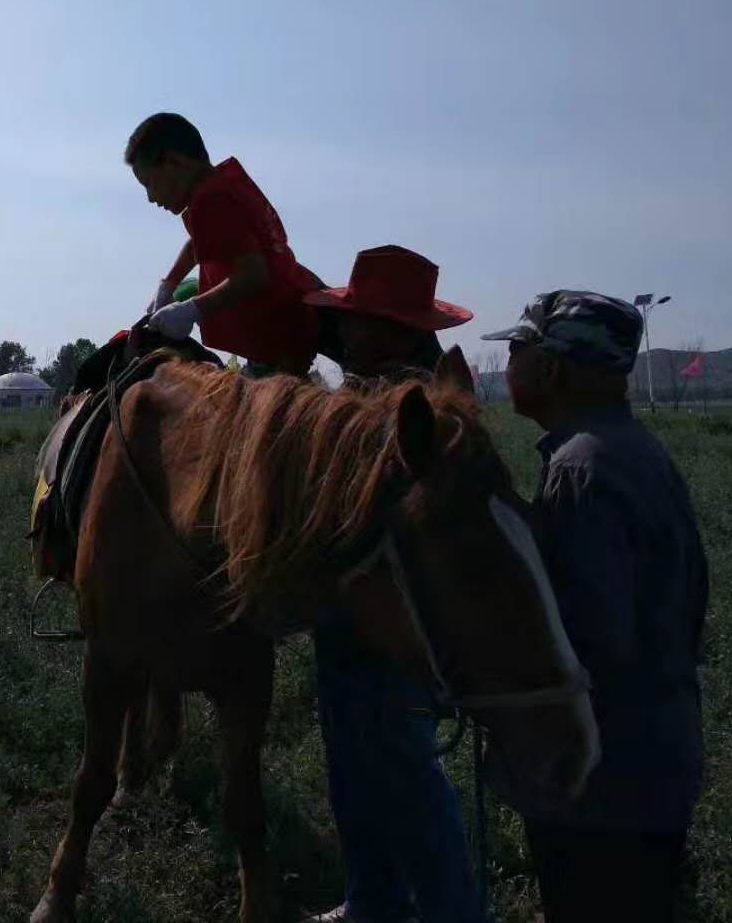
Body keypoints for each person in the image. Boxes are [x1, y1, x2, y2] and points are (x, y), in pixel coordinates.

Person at [480, 290, 709, 923]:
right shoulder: (628, 450)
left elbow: (585, 643)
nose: (510, 366)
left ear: (551, 368)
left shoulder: (581, 469)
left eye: (517, 351)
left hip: (604, 788)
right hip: (652, 762)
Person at [298, 246, 488, 923]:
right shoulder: (365, 396)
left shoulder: (424, 415)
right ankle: (372, 898)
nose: (343, 334)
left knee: (408, 772)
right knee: (352, 764)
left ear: (398, 332)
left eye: (357, 321)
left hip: (402, 629)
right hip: (347, 621)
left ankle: (456, 912)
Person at [127, 112, 321, 375]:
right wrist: (168, 285)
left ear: (174, 162)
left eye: (149, 183)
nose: (150, 197)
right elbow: (201, 243)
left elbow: (254, 274)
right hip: (287, 333)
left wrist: (190, 310)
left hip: (276, 347)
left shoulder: (212, 200)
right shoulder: (218, 186)